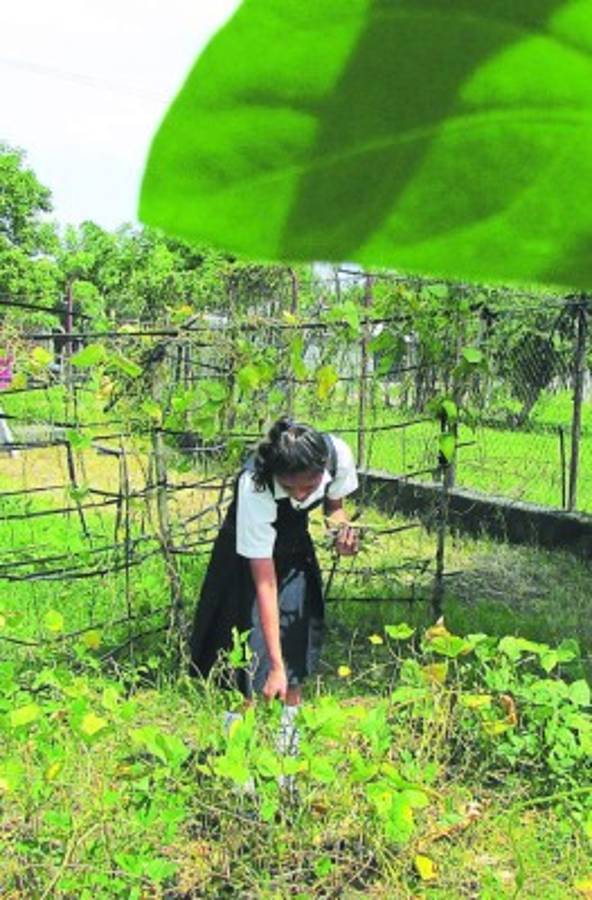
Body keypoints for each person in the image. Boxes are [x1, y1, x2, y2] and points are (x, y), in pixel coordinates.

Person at [189, 416, 360, 707]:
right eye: (290, 487)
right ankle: (239, 737)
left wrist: (340, 535)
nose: (300, 495)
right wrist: (275, 667)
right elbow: (265, 582)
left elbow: (335, 510)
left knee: (295, 633)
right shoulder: (254, 482)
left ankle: (287, 738)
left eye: (309, 486)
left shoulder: (337, 455)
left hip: (295, 548)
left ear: (322, 466)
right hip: (244, 555)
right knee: (245, 649)